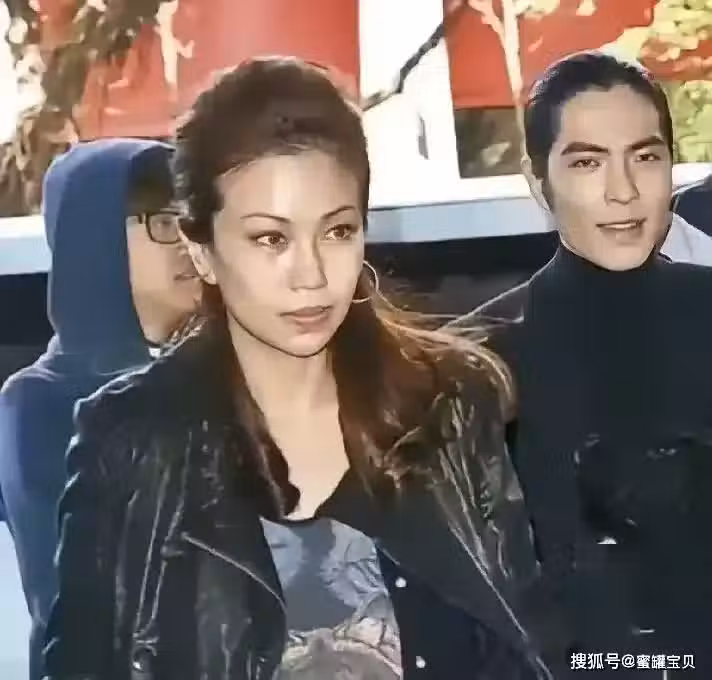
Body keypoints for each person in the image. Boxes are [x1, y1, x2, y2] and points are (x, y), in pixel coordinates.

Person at [42, 58, 556, 680]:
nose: (311, 275)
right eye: (271, 239)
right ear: (201, 251)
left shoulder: (451, 403)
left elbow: (526, 646)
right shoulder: (132, 441)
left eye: (337, 232)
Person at [452, 51, 712, 677]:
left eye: (645, 157)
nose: (623, 191)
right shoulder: (478, 363)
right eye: (587, 162)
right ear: (536, 180)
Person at [0, 138, 200, 680]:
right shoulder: (39, 400)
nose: (188, 241)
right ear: (95, 242)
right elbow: (79, 598)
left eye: (191, 219)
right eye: (164, 222)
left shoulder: (210, 375)